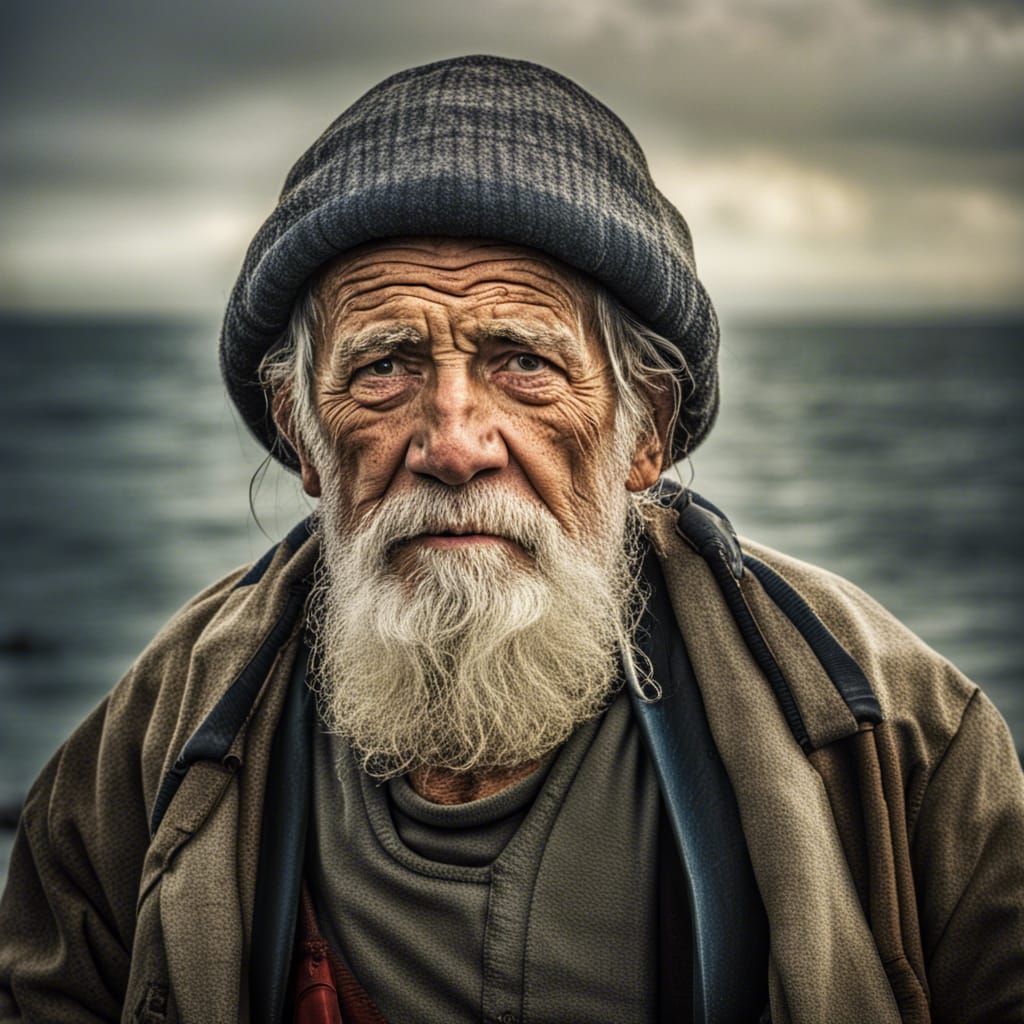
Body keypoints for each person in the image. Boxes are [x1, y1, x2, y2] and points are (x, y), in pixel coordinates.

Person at [1, 54, 1021, 1024]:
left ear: (644, 431)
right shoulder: (156, 734)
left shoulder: (886, 726)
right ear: (300, 438)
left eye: (523, 362)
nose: (451, 442)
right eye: (385, 365)